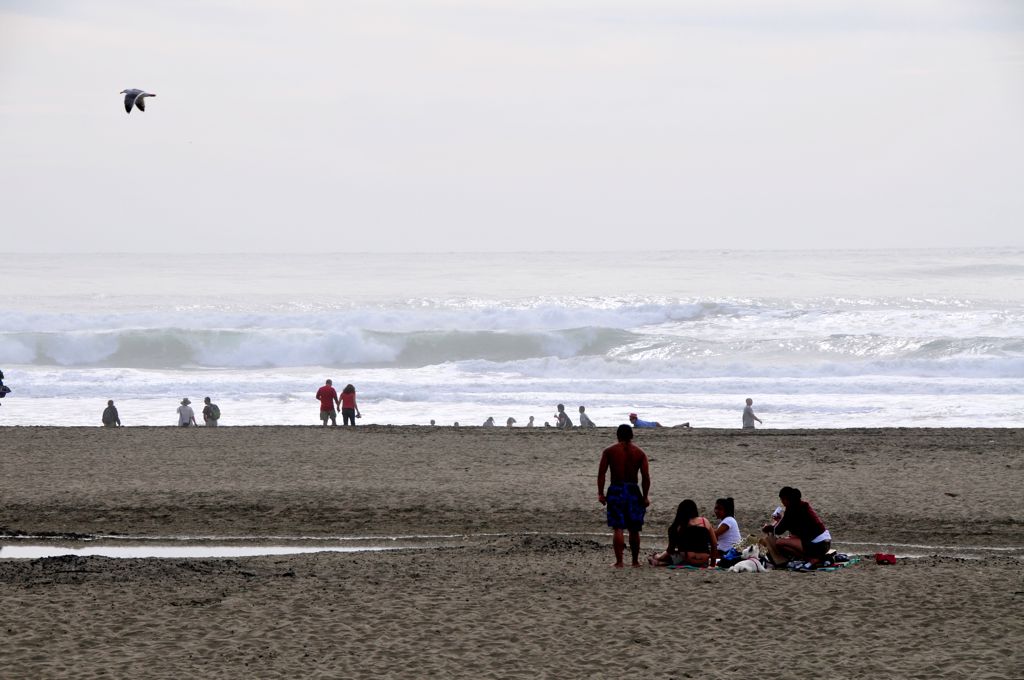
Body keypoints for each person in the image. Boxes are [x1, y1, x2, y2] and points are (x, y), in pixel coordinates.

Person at [597, 423, 651, 568]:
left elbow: (601, 473)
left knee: (618, 527)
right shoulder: (640, 453)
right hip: (633, 490)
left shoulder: (609, 451)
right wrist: (645, 496)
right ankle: (635, 561)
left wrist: (601, 493)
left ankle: (619, 562)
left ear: (618, 435)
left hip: (616, 489)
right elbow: (645, 476)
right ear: (632, 436)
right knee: (634, 528)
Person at [760, 486, 832, 568]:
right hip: (826, 542)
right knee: (789, 538)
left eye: (782, 500)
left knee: (779, 543)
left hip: (818, 545)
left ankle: (812, 559)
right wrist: (779, 520)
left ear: (785, 500)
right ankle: (813, 558)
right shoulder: (803, 505)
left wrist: (768, 527)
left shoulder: (791, 510)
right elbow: (793, 526)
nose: (782, 503)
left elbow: (778, 530)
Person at [648, 500, 718, 567]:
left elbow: (670, 550)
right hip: (704, 560)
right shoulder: (704, 521)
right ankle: (660, 561)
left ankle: (658, 559)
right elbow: (714, 543)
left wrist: (659, 557)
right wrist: (712, 563)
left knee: (674, 555)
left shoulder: (679, 525)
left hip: (688, 559)